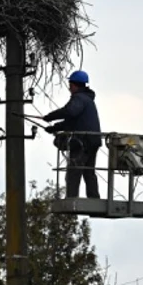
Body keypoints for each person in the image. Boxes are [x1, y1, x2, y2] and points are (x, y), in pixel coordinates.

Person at [42, 70, 102, 199]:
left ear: (74, 85)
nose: (69, 87)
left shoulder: (79, 98)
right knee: (88, 172)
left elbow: (70, 112)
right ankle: (94, 198)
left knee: (74, 171)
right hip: (93, 141)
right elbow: (71, 121)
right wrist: (54, 128)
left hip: (82, 142)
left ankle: (71, 199)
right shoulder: (87, 100)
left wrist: (50, 117)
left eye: (70, 84)